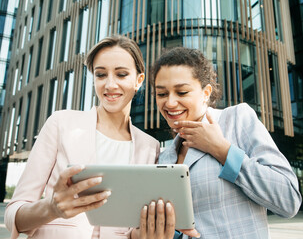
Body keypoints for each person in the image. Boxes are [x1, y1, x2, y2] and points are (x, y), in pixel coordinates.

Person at [4, 36, 177, 239]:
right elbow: (13, 214)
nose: (110, 85)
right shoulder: (60, 124)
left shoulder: (150, 147)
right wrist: (51, 208)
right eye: (101, 75)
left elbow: (132, 230)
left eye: (121, 74)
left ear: (138, 80)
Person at [150, 47, 302, 239]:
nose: (170, 103)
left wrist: (221, 149)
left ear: (206, 93)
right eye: (162, 94)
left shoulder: (237, 120)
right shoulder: (164, 157)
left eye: (181, 92)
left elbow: (288, 200)